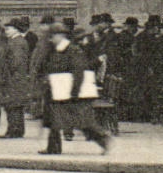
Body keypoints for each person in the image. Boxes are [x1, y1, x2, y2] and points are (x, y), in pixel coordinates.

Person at [35, 25, 112, 155]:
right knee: (54, 120)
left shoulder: (72, 50)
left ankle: (103, 139)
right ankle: (53, 148)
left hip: (71, 92)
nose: (51, 39)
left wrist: (74, 91)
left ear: (61, 36)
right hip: (57, 91)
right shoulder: (53, 50)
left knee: (82, 121)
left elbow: (79, 72)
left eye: (53, 36)